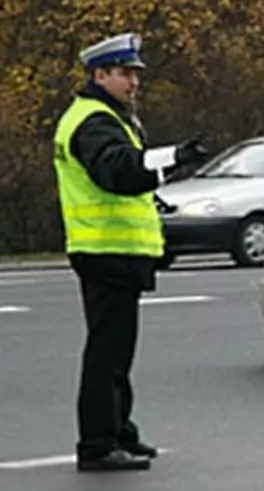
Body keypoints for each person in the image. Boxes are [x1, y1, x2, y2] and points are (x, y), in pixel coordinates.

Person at [51, 32, 209, 472]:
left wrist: (164, 170)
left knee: (116, 351)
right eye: (124, 74)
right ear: (99, 74)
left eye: (136, 74)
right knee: (108, 352)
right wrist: (174, 158)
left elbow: (130, 171)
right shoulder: (94, 121)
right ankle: (99, 444)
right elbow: (120, 172)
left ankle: (119, 430)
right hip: (105, 250)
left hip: (114, 250)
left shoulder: (107, 117)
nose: (133, 83)